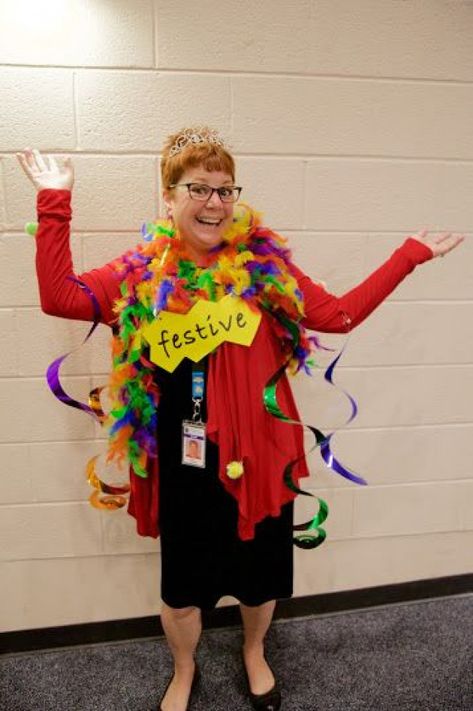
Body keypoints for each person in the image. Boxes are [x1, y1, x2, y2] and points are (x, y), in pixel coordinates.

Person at [16, 129, 464, 711]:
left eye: (226, 189)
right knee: (182, 587)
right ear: (169, 197)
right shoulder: (137, 272)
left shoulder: (263, 270)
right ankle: (184, 670)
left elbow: (340, 315)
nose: (214, 202)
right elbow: (59, 297)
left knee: (259, 574)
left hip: (261, 453)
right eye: (198, 187)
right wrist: (55, 201)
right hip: (182, 456)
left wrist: (409, 256)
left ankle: (255, 653)